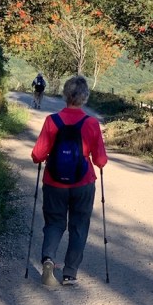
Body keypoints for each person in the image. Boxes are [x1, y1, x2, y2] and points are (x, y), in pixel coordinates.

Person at [31, 74, 108, 287]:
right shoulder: (91, 123)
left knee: (54, 223)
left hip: (54, 183)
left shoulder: (52, 121)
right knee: (79, 226)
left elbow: (37, 155)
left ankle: (48, 259)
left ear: (65, 95)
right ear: (84, 97)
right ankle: (70, 274)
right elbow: (100, 160)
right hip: (83, 184)